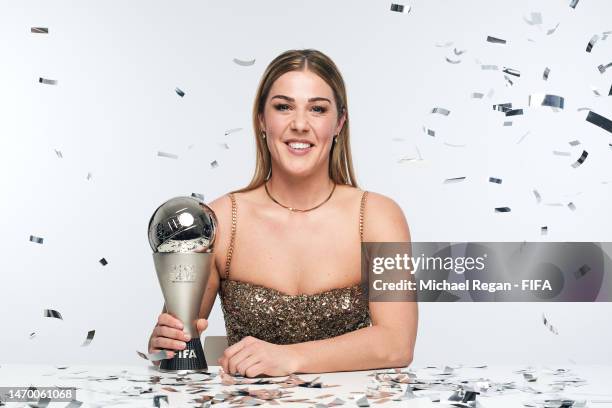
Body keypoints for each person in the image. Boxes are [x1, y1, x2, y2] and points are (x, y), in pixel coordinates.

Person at [148, 49, 417, 377]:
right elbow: (172, 352)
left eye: (317, 109)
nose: (300, 124)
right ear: (262, 119)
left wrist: (291, 358)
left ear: (339, 123)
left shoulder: (378, 217)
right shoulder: (219, 221)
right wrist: (164, 346)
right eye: (283, 107)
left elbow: (397, 344)